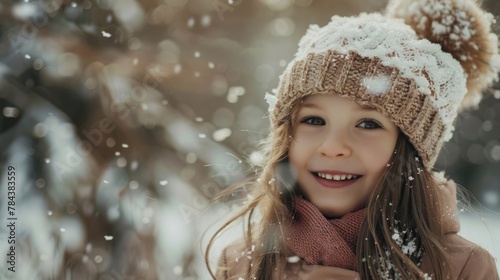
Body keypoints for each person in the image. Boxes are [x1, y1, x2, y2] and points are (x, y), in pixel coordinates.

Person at [205, 0, 500, 279]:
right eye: (314, 120)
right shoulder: (243, 261)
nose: (333, 147)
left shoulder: (462, 268)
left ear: (409, 149)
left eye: (368, 123)